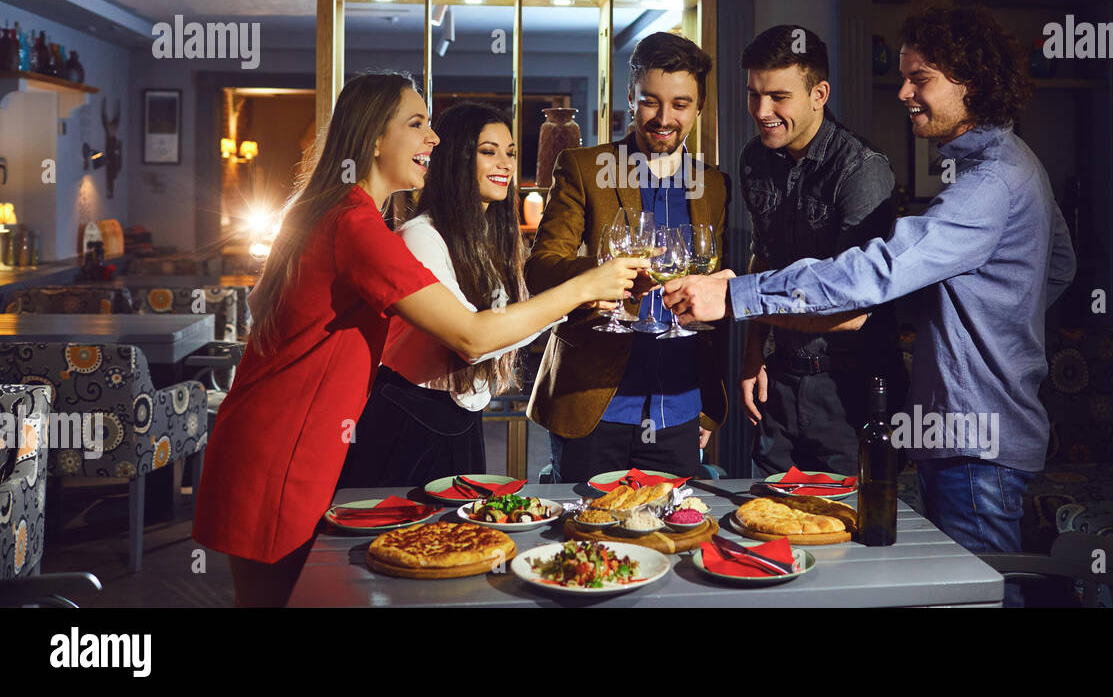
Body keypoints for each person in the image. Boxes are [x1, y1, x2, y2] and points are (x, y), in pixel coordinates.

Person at [665, 6, 1076, 606]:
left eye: (922, 79)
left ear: (972, 84)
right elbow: (1057, 266)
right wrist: (990, 311)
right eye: (905, 76)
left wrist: (734, 296)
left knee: (969, 599)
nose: (904, 92)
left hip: (974, 439)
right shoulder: (1011, 162)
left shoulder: (990, 182)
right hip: (965, 431)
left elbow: (875, 274)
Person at [193, 73, 644, 606]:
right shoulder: (356, 225)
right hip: (285, 447)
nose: (432, 138)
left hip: (280, 437)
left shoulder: (337, 211)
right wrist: (583, 286)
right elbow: (470, 336)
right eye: (416, 124)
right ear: (373, 138)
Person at [526, 32, 730, 484]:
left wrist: (707, 409)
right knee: (586, 540)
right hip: (594, 405)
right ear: (630, 98)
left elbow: (715, 288)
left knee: (671, 537)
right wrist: (601, 279)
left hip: (678, 408)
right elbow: (540, 267)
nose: (664, 118)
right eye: (650, 101)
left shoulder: (713, 185)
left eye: (680, 104)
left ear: (698, 109)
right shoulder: (583, 167)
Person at [338, 102, 548, 488]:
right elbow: (474, 343)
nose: (505, 163)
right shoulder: (421, 235)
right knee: (402, 538)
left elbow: (510, 326)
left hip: (463, 416)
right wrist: (570, 299)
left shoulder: (496, 239)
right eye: (488, 152)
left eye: (511, 153)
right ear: (455, 159)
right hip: (409, 415)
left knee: (460, 537)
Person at [737, 24, 908, 477]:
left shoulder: (862, 170)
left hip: (850, 386)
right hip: (779, 378)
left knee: (844, 532)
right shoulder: (754, 160)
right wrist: (752, 354)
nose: (762, 110)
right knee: (764, 526)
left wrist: (733, 301)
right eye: (754, 94)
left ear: (820, 94)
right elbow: (764, 258)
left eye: (778, 96)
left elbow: (854, 308)